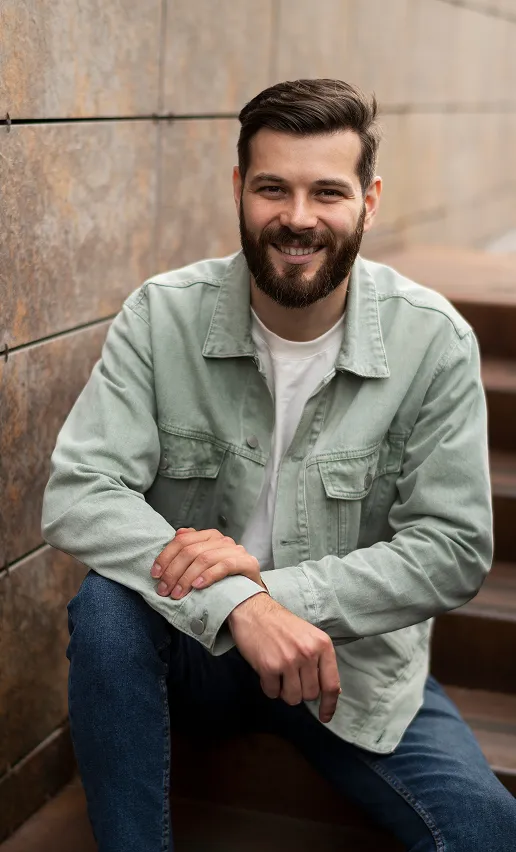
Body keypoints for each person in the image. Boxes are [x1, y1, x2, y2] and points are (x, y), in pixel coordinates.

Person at [42, 78, 516, 851]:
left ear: (369, 201)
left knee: (490, 833)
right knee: (106, 611)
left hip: (351, 668)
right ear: (239, 189)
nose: (298, 218)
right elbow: (78, 491)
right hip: (192, 649)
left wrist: (280, 597)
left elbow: (454, 550)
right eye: (273, 188)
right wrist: (239, 607)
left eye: (327, 191)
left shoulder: (435, 343)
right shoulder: (162, 315)